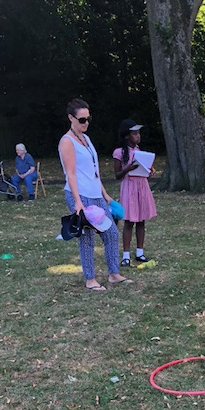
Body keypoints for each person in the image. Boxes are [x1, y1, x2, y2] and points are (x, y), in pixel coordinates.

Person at [58, 98, 132, 291]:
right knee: (87, 237)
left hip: (96, 196)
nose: (86, 123)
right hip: (80, 196)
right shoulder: (67, 142)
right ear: (70, 118)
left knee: (111, 233)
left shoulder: (86, 139)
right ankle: (90, 280)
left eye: (88, 118)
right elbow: (71, 173)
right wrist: (77, 202)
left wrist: (105, 195)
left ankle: (114, 274)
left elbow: (94, 170)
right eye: (82, 120)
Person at [113, 119, 157, 267]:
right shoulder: (119, 152)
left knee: (141, 220)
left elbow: (143, 169)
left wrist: (149, 171)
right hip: (129, 187)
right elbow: (117, 175)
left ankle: (140, 252)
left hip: (141, 186)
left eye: (138, 133)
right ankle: (125, 255)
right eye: (134, 134)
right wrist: (128, 168)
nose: (138, 136)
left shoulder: (139, 151)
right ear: (127, 136)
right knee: (129, 221)